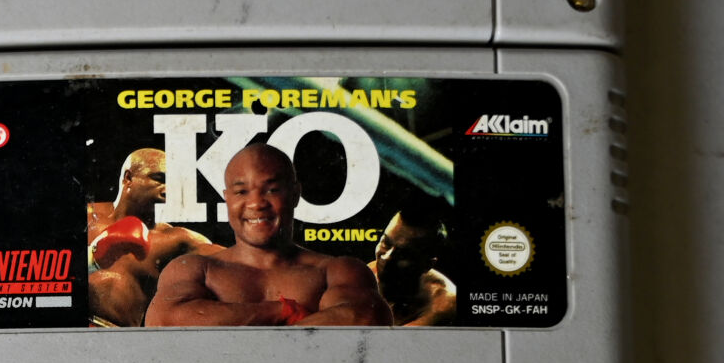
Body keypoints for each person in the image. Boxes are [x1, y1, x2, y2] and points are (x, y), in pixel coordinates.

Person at [146, 142, 392, 328]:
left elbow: (365, 317)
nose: (256, 203)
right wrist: (282, 311)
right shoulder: (195, 269)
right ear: (227, 199)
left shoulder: (337, 271)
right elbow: (163, 321)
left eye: (272, 190)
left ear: (295, 194)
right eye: (241, 192)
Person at [85, 147, 212, 327]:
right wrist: (92, 257)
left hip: (117, 336)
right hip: (66, 326)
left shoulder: (176, 239)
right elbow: (46, 260)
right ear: (128, 178)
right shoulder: (87, 217)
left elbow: (233, 261)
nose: (168, 189)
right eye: (159, 179)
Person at [370, 206, 458, 326]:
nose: (387, 257)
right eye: (386, 243)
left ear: (427, 265)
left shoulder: (442, 304)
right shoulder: (367, 273)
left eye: (403, 254)